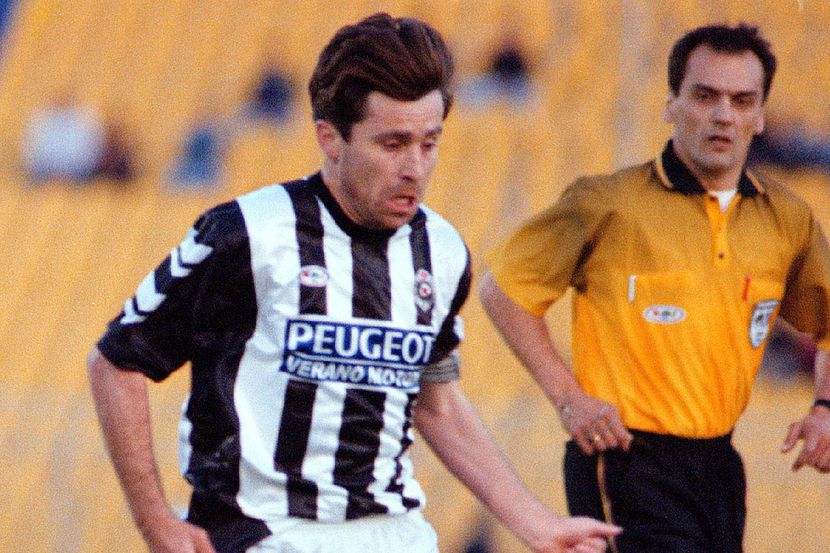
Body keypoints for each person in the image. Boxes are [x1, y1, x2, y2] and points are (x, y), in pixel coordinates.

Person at [87, 13, 620, 553]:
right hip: (262, 531)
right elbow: (116, 362)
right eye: (392, 144)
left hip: (394, 532)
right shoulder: (247, 233)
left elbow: (436, 403)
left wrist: (536, 524)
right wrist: (158, 524)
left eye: (429, 143)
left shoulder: (442, 251)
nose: (415, 168)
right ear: (331, 138)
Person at [480, 23, 830, 553]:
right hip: (626, 462)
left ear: (760, 116)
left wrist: (824, 407)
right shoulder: (606, 204)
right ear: (671, 104)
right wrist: (569, 399)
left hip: (720, 470)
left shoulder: (786, 220)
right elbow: (503, 292)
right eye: (705, 96)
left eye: (742, 101)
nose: (723, 115)